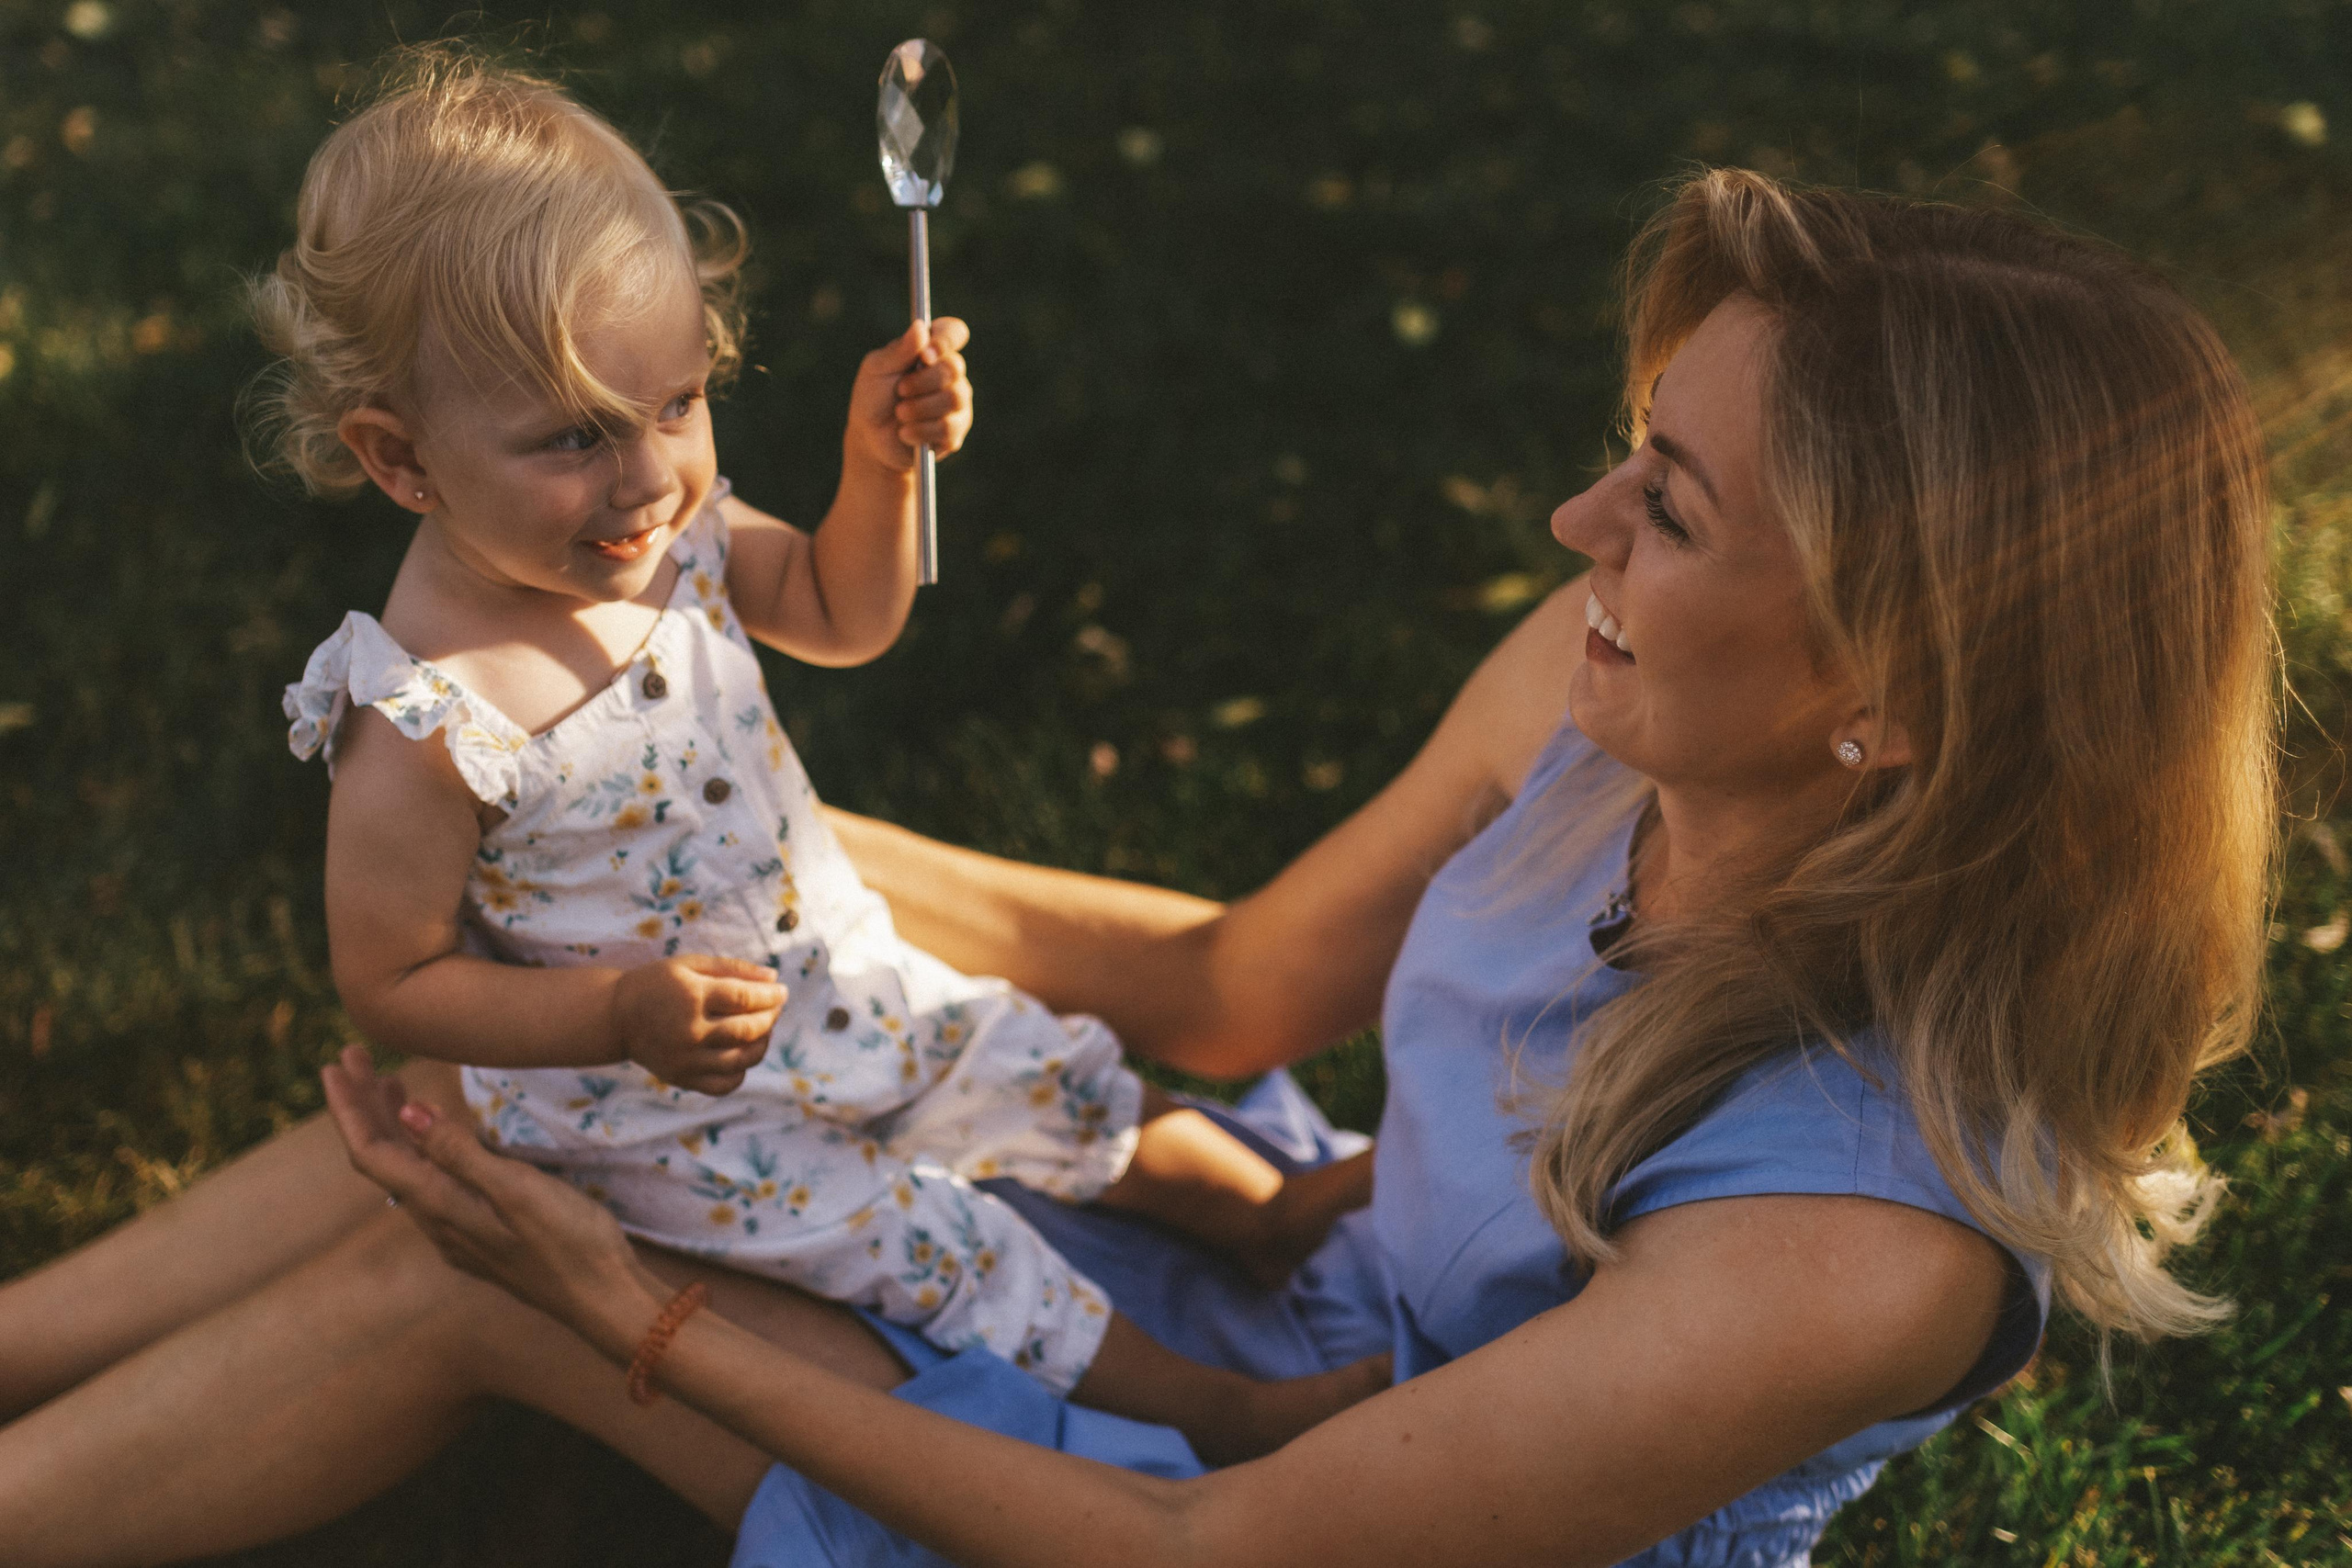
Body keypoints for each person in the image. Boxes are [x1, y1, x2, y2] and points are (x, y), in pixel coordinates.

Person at [0, 165, 2271, 1568]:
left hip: (1298, 1527)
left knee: (506, 1250)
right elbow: (1225, 986)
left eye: (1667, 508)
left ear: (1897, 685)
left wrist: (642, 1322)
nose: (1583, 528)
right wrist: (663, 876)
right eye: (1628, 453)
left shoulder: (1853, 1242)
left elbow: (1233, 1554)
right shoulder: (1618, 700)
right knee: (535, 1088)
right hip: (1299, 1298)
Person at [258, 50, 1382, 1465]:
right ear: (400, 459)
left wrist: (881, 468)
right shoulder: (429, 713)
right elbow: (393, 984)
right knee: (948, 1256)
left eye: (675, 404)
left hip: (833, 975)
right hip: (665, 1117)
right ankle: (1229, 1414)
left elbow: (846, 614)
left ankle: (1264, 1213)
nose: (646, 476)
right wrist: (619, 1017)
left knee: (1042, 1070)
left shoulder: (675, 539)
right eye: (572, 440)